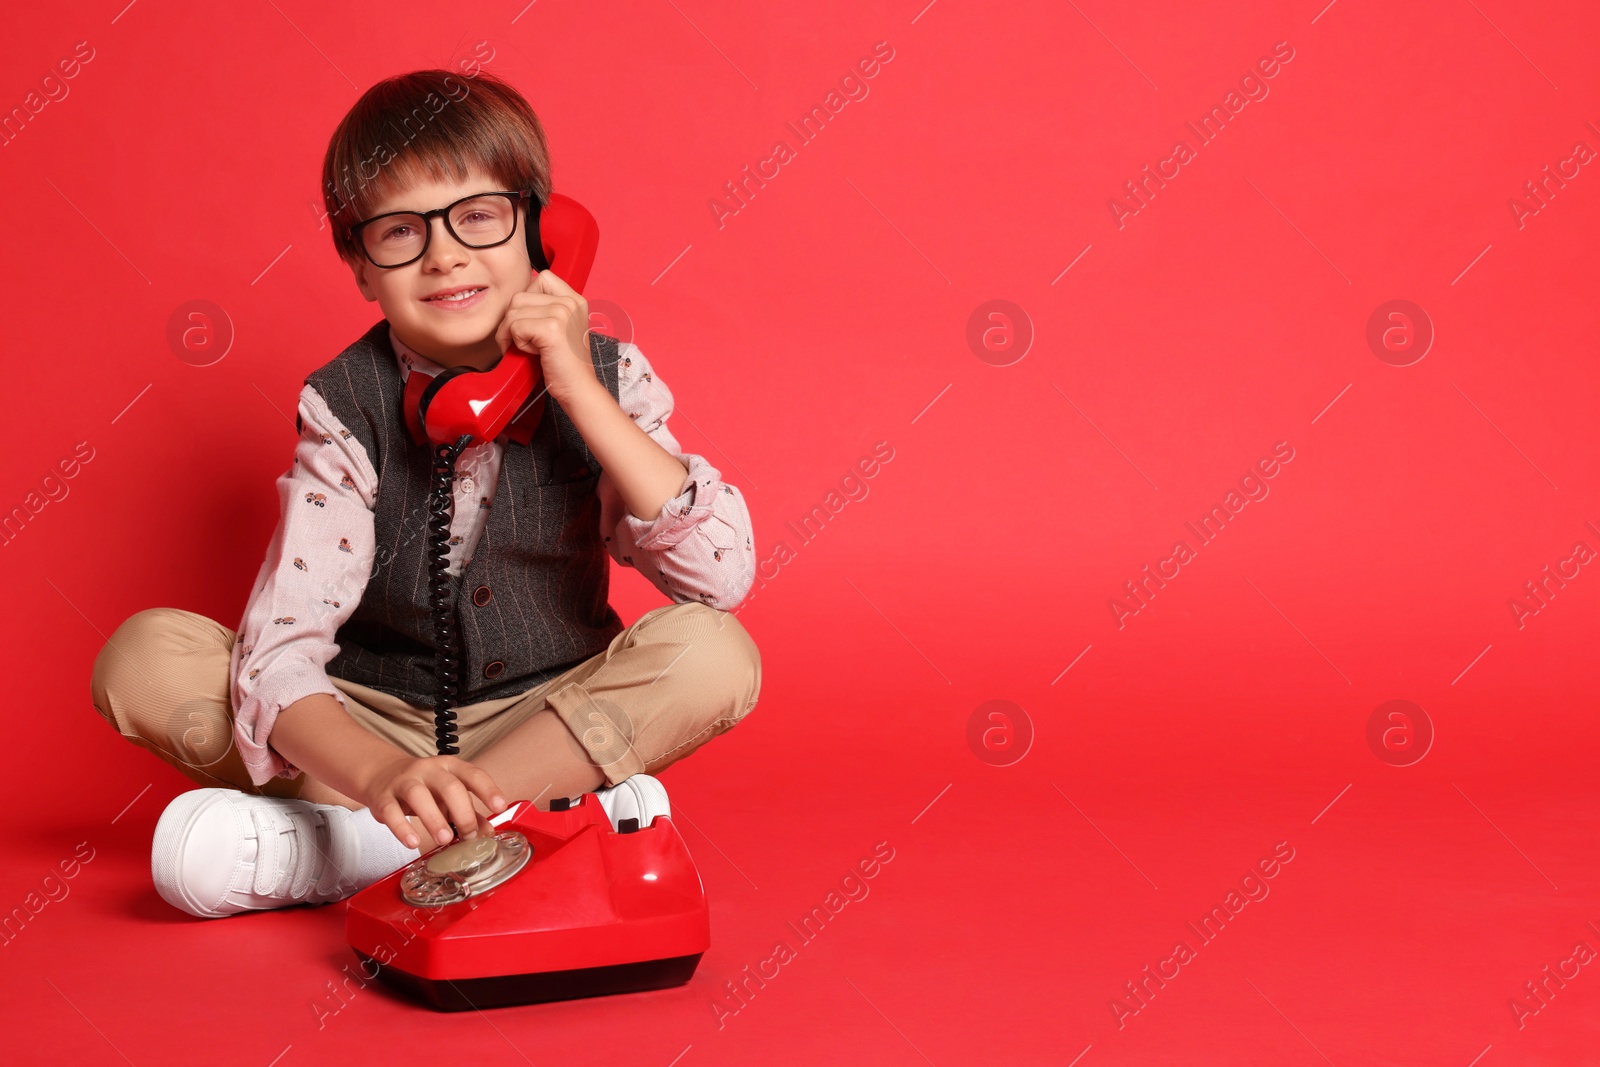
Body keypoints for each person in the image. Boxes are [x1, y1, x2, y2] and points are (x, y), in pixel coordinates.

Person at [88, 68, 761, 919]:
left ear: (544, 233)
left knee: (714, 651)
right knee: (144, 657)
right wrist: (379, 772)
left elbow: (720, 578)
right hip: (375, 724)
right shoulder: (344, 404)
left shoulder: (609, 382)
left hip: (546, 718)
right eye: (400, 232)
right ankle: (462, 824)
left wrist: (578, 392)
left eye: (479, 215)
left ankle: (348, 847)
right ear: (362, 268)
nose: (445, 254)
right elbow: (280, 650)